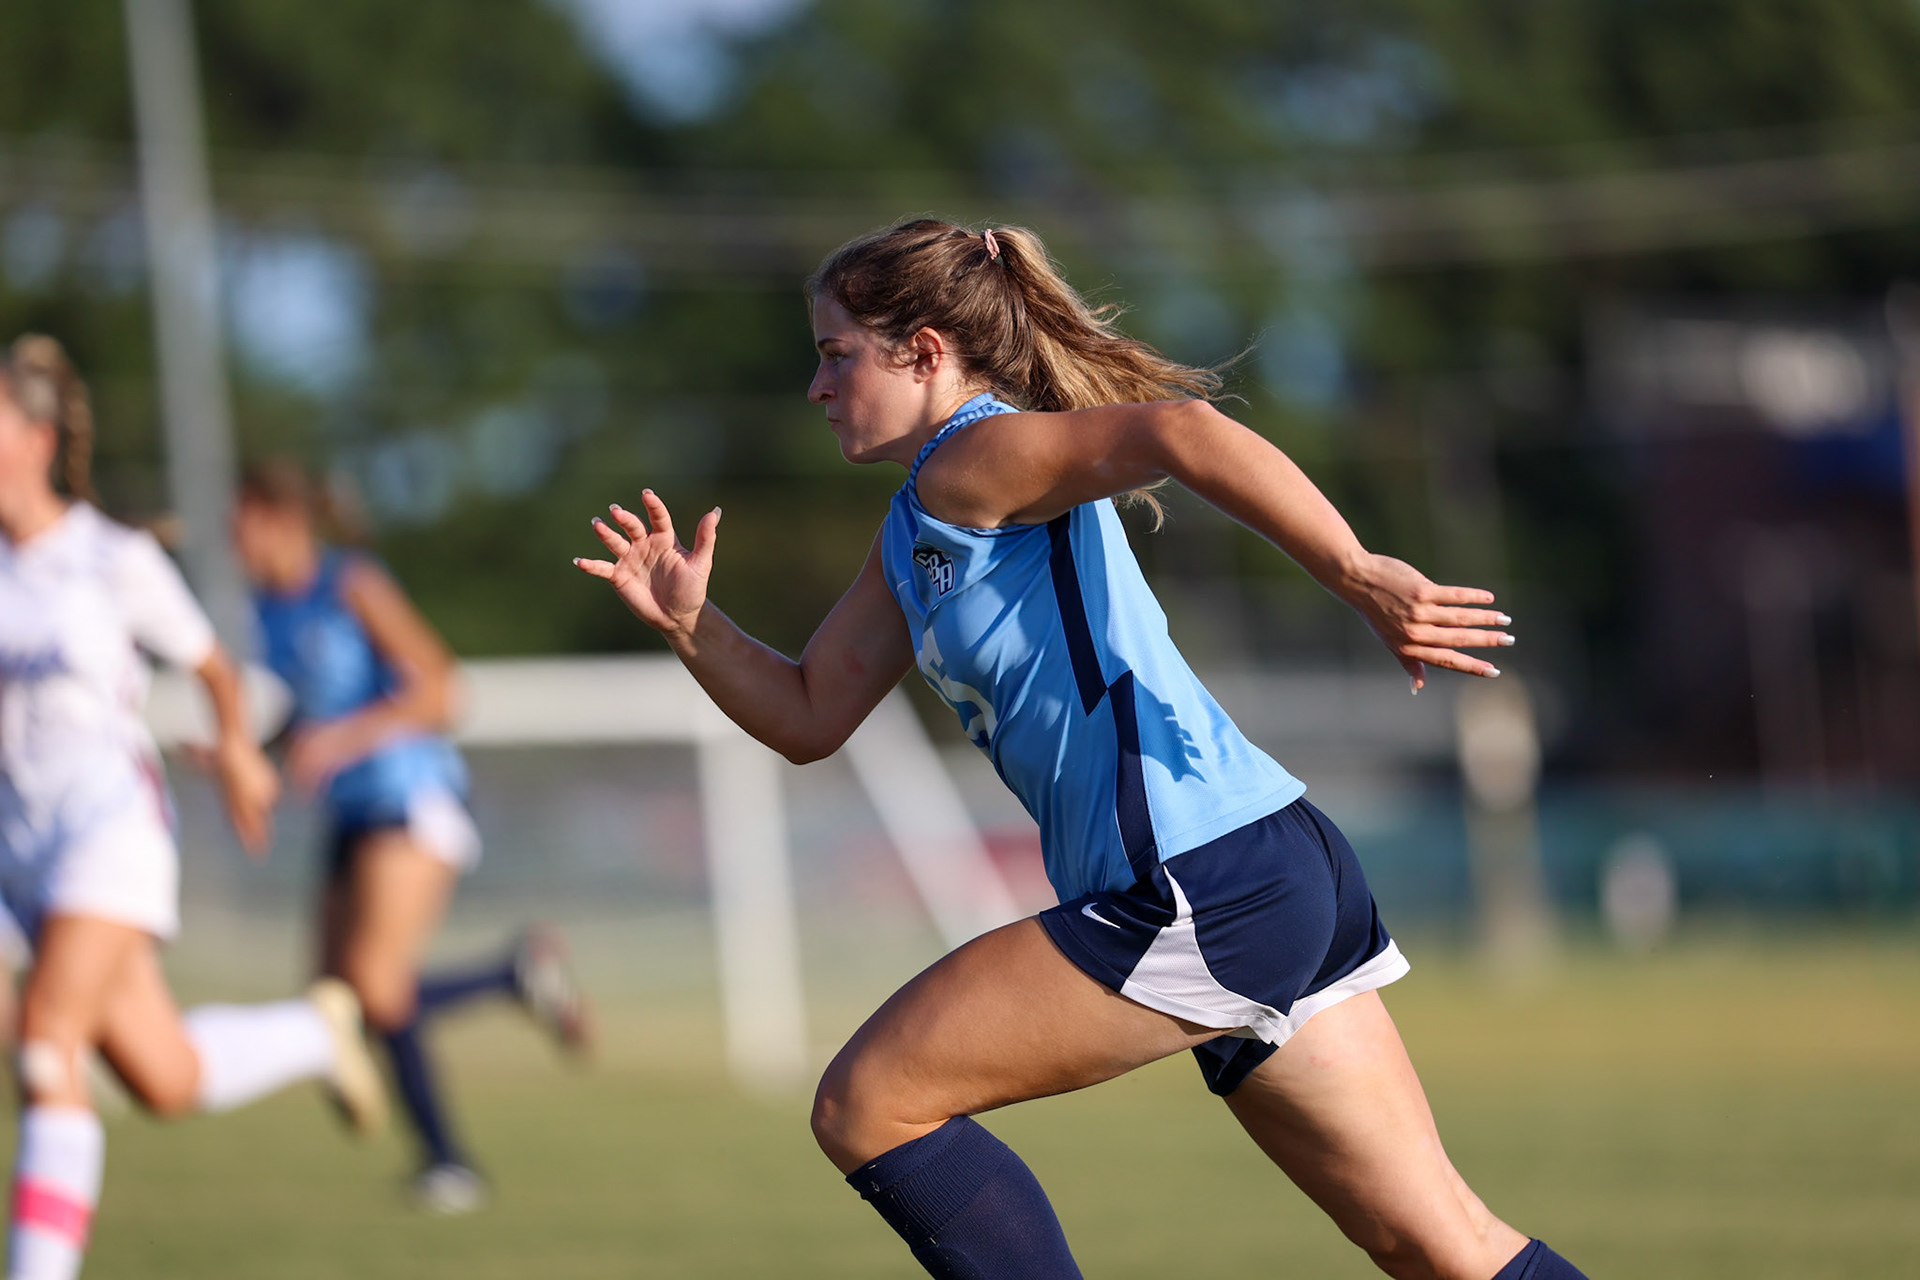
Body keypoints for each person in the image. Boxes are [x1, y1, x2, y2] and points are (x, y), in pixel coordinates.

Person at [576, 219, 1591, 1280]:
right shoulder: (918, 523)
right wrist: (695, 625)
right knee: (1441, 1244)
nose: (819, 386)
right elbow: (808, 714)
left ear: (924, 351)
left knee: (867, 1100)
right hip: (1268, 864)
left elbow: (1179, 432)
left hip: (1202, 875)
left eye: (838, 355)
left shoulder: (972, 454)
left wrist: (1356, 567)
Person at [0, 335, 390, 1280]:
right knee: (162, 1078)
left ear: (40, 436)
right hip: (16, 848)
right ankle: (313, 1031)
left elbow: (213, 667)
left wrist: (242, 762)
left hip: (107, 830)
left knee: (47, 1046)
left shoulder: (109, 557)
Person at [233, 461, 592, 1215]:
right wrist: (245, 756)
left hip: (411, 797)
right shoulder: (268, 608)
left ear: (280, 517)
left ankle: (449, 1165)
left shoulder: (351, 582)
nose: (235, 542)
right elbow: (303, 724)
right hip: (352, 812)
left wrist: (340, 740)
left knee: (372, 988)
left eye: (242, 524)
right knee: (336, 1001)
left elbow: (439, 688)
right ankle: (513, 978)